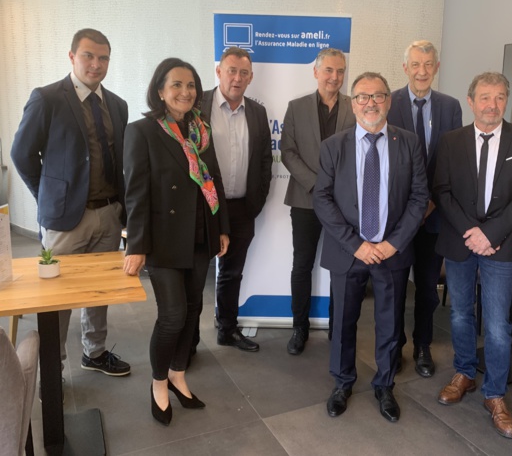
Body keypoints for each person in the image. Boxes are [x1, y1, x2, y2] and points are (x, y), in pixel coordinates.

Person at [11, 28, 130, 377]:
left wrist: (122, 209)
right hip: (65, 220)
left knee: (98, 292)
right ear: (72, 56)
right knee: (56, 297)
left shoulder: (117, 105)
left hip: (109, 213)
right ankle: (53, 367)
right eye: (88, 56)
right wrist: (47, 195)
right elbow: (22, 154)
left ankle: (94, 352)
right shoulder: (47, 98)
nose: (96, 64)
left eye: (103, 58)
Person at [313, 72, 429, 422]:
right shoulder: (334, 146)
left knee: (390, 323)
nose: (371, 103)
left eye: (378, 96)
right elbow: (322, 199)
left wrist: (394, 243)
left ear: (388, 101)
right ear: (353, 104)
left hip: (391, 252)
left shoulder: (409, 143)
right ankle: (342, 382)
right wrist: (356, 245)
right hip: (348, 251)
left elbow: (419, 197)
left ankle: (385, 385)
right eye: (363, 97)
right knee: (343, 321)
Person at [122, 58, 230, 426]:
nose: (186, 92)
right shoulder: (142, 131)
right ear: (160, 91)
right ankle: (158, 382)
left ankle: (178, 374)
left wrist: (222, 228)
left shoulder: (201, 130)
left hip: (200, 233)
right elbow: (136, 193)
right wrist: (136, 245)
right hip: (164, 238)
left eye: (191, 85)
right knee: (172, 316)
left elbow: (214, 181)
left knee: (193, 310)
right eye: (177, 85)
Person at [433, 71, 512, 439]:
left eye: (499, 97)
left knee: (497, 325)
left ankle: (494, 394)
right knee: (460, 313)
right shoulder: (451, 141)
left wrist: (490, 234)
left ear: (506, 100)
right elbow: (442, 191)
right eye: (484, 97)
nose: (492, 105)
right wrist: (472, 233)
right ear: (471, 101)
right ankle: (464, 373)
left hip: (501, 244)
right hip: (460, 241)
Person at [387, 40, 463, 378]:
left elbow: (451, 160)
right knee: (394, 288)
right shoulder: (390, 102)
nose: (422, 71)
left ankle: (422, 346)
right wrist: (411, 206)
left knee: (428, 289)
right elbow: (387, 161)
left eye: (428, 64)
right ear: (405, 67)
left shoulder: (450, 106)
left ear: (437, 67)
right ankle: (393, 347)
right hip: (398, 217)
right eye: (415, 64)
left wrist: (430, 202)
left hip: (434, 216)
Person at [281, 48, 355, 355]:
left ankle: (338, 328)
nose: (335, 77)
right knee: (302, 265)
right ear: (315, 72)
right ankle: (299, 327)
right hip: (305, 198)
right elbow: (287, 152)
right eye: (328, 70)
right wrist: (316, 184)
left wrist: (336, 188)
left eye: (340, 71)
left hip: (344, 203)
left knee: (342, 268)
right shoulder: (296, 107)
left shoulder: (355, 106)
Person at [200, 47, 272, 352]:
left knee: (232, 273)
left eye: (244, 73)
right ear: (219, 72)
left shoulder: (257, 112)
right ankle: (187, 340)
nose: (237, 78)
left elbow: (265, 161)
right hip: (203, 206)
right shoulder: (197, 106)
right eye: (231, 71)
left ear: (251, 77)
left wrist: (256, 201)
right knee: (195, 273)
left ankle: (227, 329)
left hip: (242, 206)